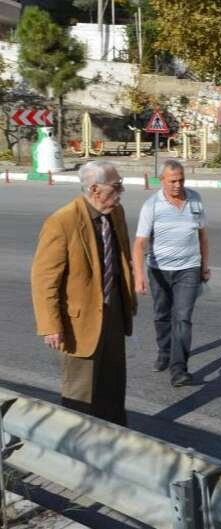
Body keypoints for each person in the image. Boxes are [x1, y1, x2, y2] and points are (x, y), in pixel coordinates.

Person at [31, 161, 136, 426]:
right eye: (116, 186)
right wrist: (51, 326)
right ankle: (78, 453)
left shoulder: (116, 212)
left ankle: (114, 444)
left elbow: (122, 257)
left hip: (112, 314)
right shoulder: (62, 222)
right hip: (79, 323)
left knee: (113, 388)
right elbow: (44, 279)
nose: (121, 191)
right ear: (94, 189)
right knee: (81, 394)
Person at [133, 159, 209, 387]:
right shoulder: (151, 206)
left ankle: (179, 370)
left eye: (181, 180)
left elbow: (202, 235)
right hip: (159, 270)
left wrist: (204, 266)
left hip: (189, 268)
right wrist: (139, 275)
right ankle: (165, 352)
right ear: (162, 181)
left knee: (183, 318)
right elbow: (139, 244)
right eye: (173, 181)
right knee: (162, 315)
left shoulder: (195, 199)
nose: (178, 185)